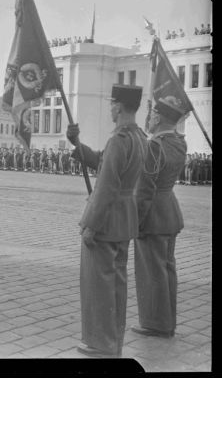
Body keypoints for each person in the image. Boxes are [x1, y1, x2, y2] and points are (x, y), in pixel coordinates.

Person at [66, 84, 147, 357]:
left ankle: (100, 343)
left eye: (112, 103)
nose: (110, 108)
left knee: (98, 286)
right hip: (123, 221)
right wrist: (77, 144)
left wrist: (90, 224)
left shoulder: (119, 139)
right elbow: (103, 163)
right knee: (116, 286)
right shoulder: (138, 137)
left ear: (120, 106)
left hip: (106, 221)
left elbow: (106, 186)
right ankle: (113, 341)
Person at [132, 97, 187, 339]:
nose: (150, 117)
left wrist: (136, 220)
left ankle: (155, 324)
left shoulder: (154, 145)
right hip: (170, 212)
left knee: (152, 272)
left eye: (153, 113)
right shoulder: (178, 142)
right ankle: (168, 321)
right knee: (167, 270)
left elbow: (144, 189)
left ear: (159, 118)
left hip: (153, 214)